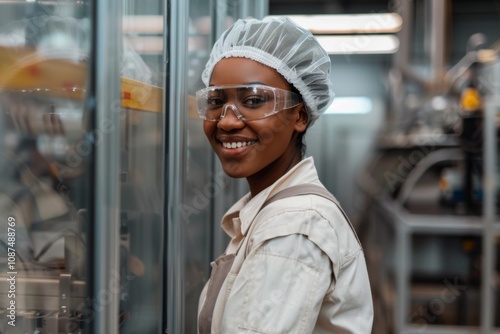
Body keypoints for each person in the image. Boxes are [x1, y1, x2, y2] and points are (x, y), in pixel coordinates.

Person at [196, 16, 373, 333]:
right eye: (215, 101)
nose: (227, 121)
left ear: (300, 116)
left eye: (253, 101)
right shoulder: (273, 211)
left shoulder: (293, 225)